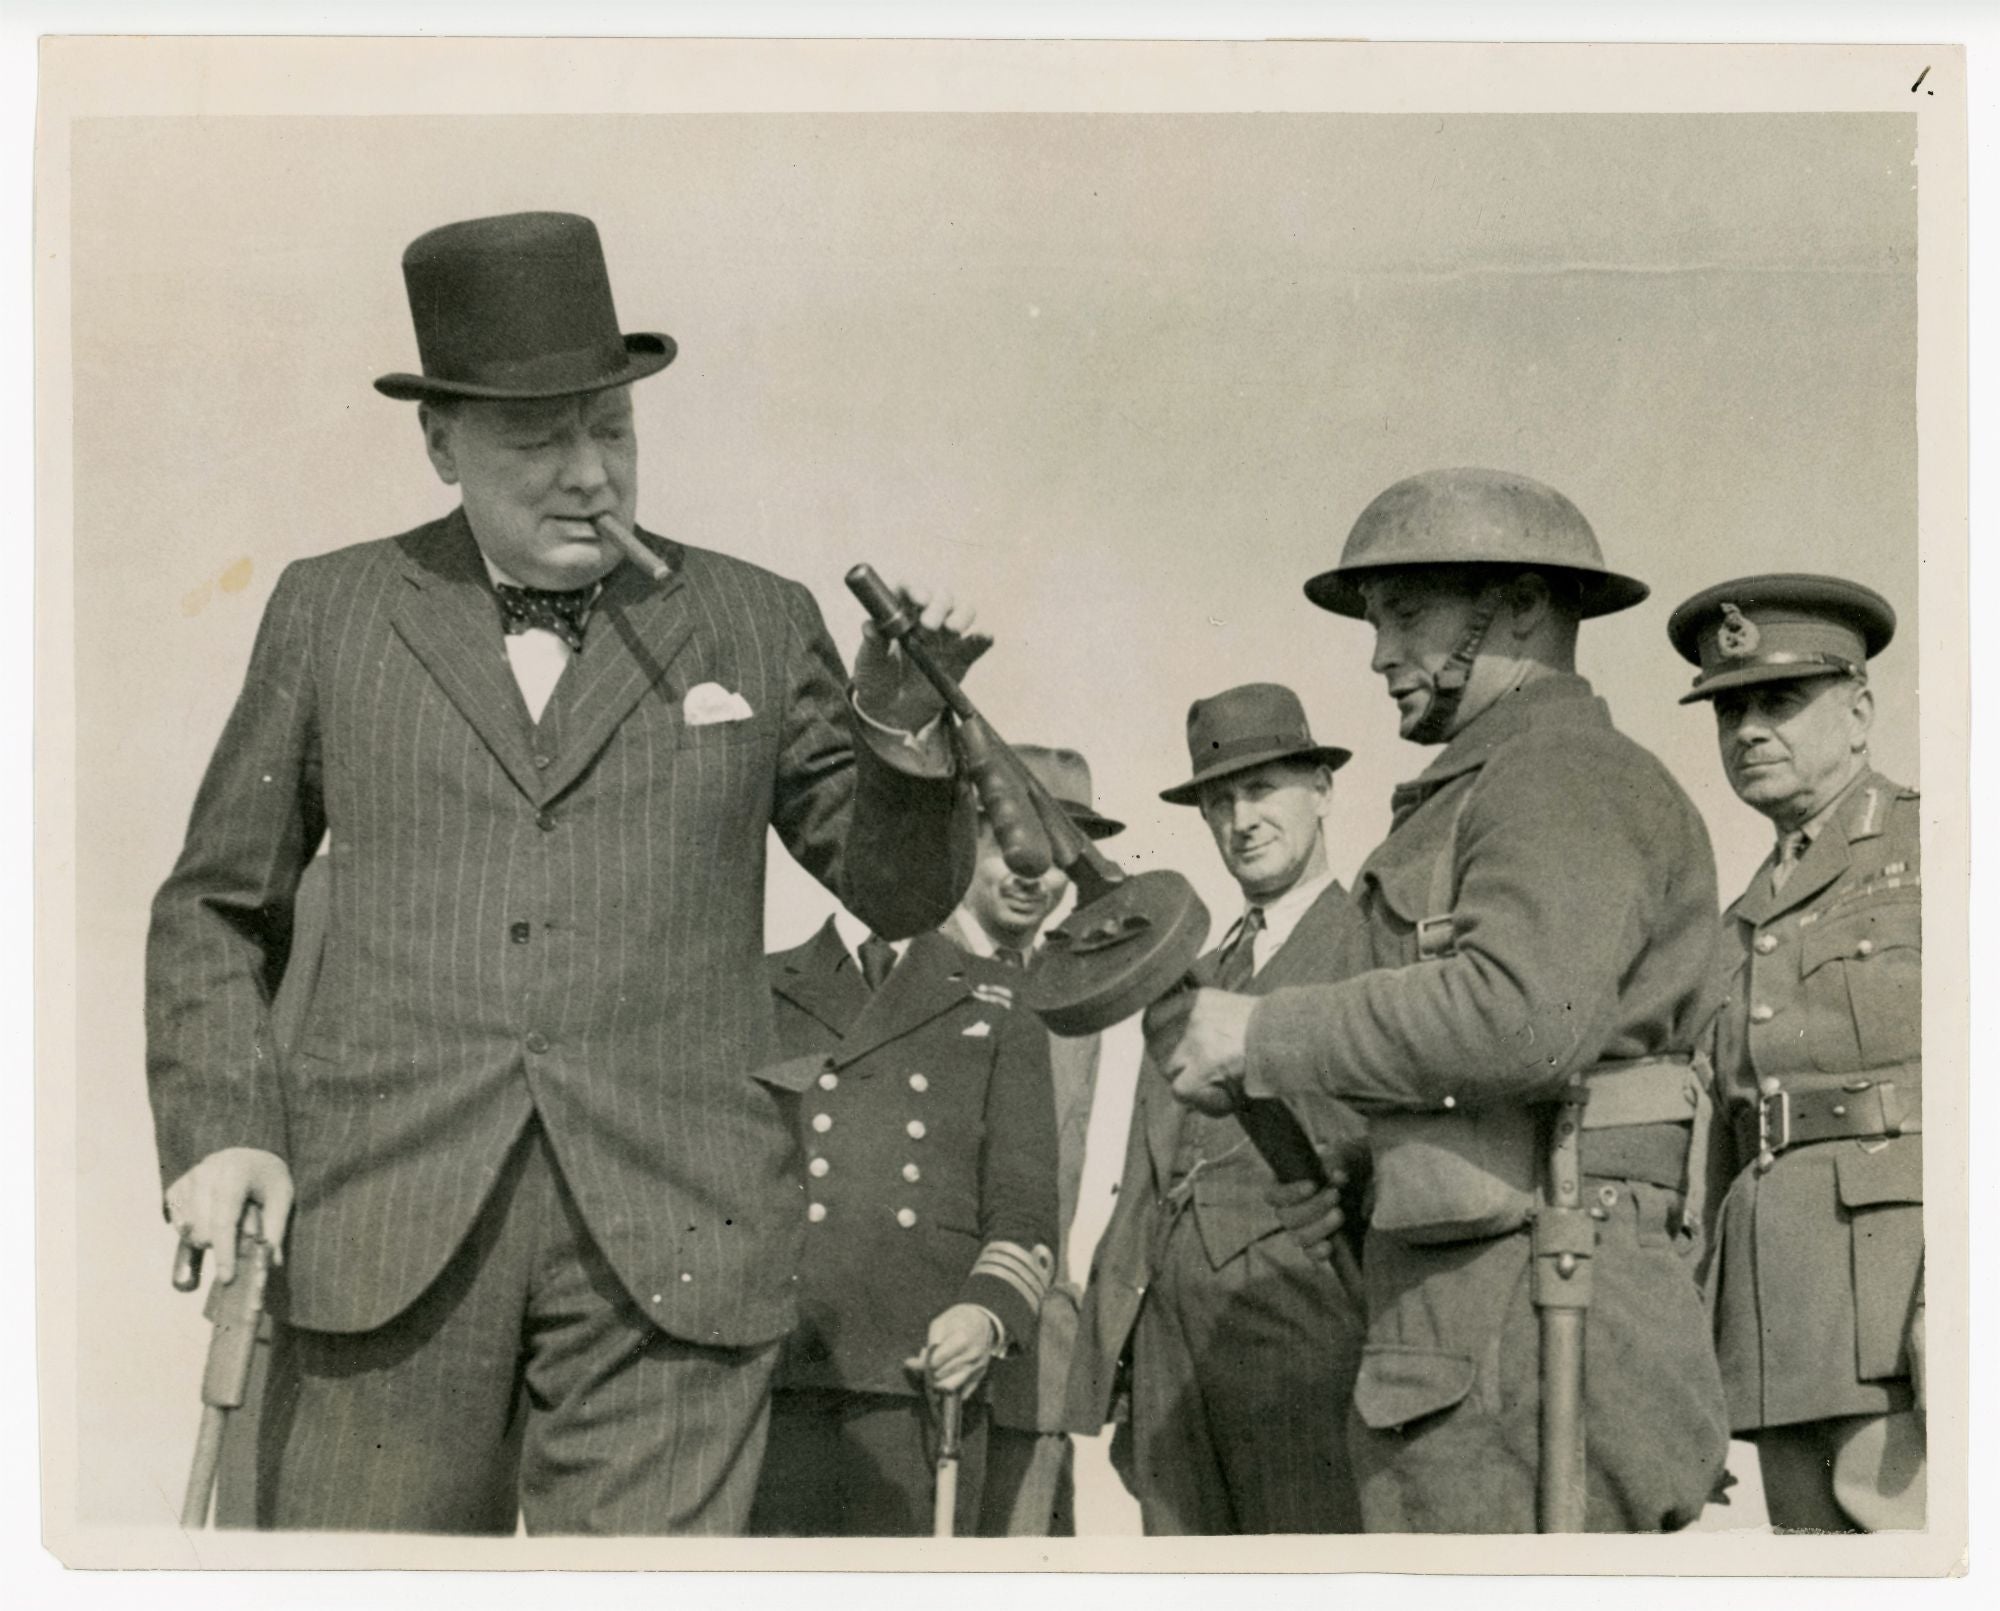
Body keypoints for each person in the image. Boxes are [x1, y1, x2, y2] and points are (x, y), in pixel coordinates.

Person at [146, 211, 985, 1535]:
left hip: (679, 1241)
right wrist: (224, 1124)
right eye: (540, 441)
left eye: (616, 432)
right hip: (381, 1233)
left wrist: (899, 734)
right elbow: (212, 902)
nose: (592, 474)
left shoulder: (757, 622)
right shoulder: (331, 610)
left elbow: (897, 892)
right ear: (441, 444)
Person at [1147, 469, 1730, 1533]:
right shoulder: (1483, 787)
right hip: (1477, 1313)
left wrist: (1263, 1032)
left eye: (1405, 614)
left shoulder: (1557, 773)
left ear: (1515, 606)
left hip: (1544, 1314)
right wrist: (1363, 1174)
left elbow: (1522, 1017)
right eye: (1375, 620)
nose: (1377, 653)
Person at [1067, 683, 1372, 1534]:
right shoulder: (1190, 971)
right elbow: (1146, 1172)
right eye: (1218, 799)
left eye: (1263, 787)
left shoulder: (1375, 948)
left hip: (1308, 1346)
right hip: (1168, 1355)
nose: (1241, 818)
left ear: (1322, 787)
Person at [1667, 574, 1924, 1532]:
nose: (1748, 731)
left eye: (1780, 701)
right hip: (1782, 1326)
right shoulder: (1739, 922)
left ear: (1859, 712)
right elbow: (1717, 1156)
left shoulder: (1944, 851)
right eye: (1730, 709)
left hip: (1911, 1306)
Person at [747, 899, 1059, 1535]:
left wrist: (986, 1313)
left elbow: (1025, 1207)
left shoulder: (1002, 998)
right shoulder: (762, 984)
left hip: (923, 1371)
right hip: (776, 1372)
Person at [941, 745, 1126, 1538]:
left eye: (1056, 856)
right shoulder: (901, 966)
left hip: (1034, 1378)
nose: (1032, 873)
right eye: (1006, 845)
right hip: (918, 1361)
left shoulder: (1074, 994)